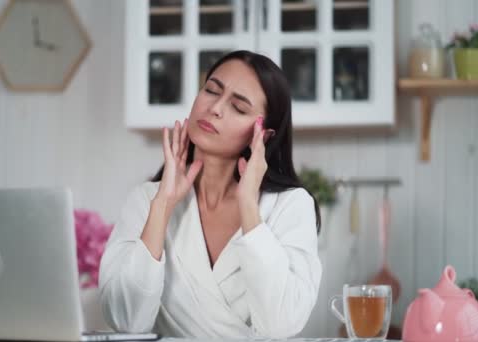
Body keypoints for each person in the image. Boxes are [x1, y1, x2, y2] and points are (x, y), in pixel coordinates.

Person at [98, 50, 322, 339]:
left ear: (263, 135)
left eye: (238, 108)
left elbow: (281, 325)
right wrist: (162, 207)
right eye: (211, 90)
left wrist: (248, 209)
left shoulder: (290, 206)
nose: (215, 107)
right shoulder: (147, 199)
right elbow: (126, 321)